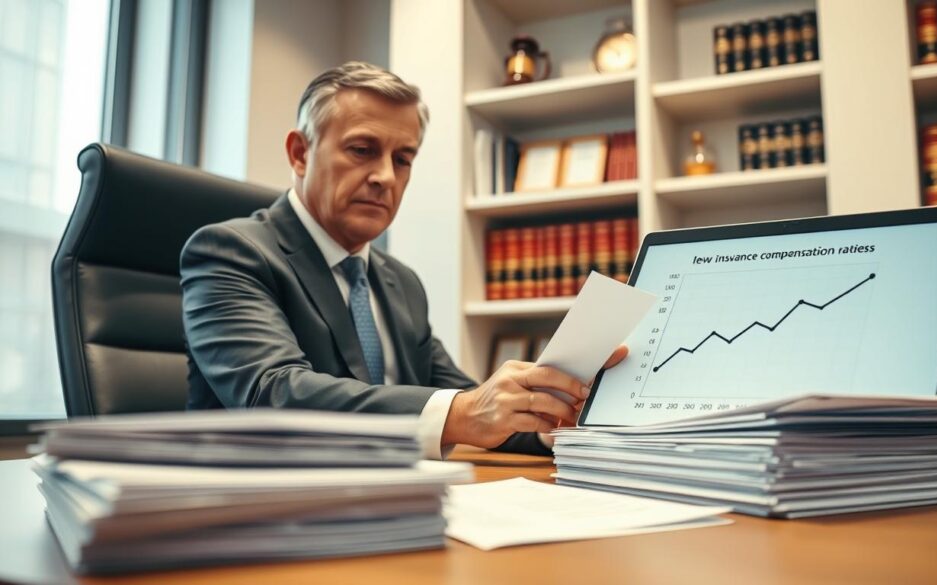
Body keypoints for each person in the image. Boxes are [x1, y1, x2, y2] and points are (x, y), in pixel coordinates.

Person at [180, 62, 626, 457]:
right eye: (362, 150)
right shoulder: (230, 252)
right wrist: (468, 410)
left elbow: (466, 401)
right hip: (262, 512)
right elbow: (271, 394)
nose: (384, 177)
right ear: (300, 153)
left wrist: (548, 420)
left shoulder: (400, 282)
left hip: (392, 499)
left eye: (403, 159)